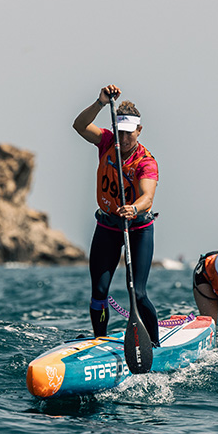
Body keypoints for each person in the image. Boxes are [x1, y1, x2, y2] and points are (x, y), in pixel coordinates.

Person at [72, 84, 160, 345]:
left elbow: (147, 197)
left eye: (129, 135)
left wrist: (134, 208)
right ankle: (100, 341)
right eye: (120, 133)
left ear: (139, 131)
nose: (122, 140)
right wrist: (99, 103)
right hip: (108, 227)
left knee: (138, 292)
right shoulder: (107, 142)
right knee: (99, 292)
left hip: (138, 229)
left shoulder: (146, 161)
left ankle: (154, 345)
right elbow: (79, 126)